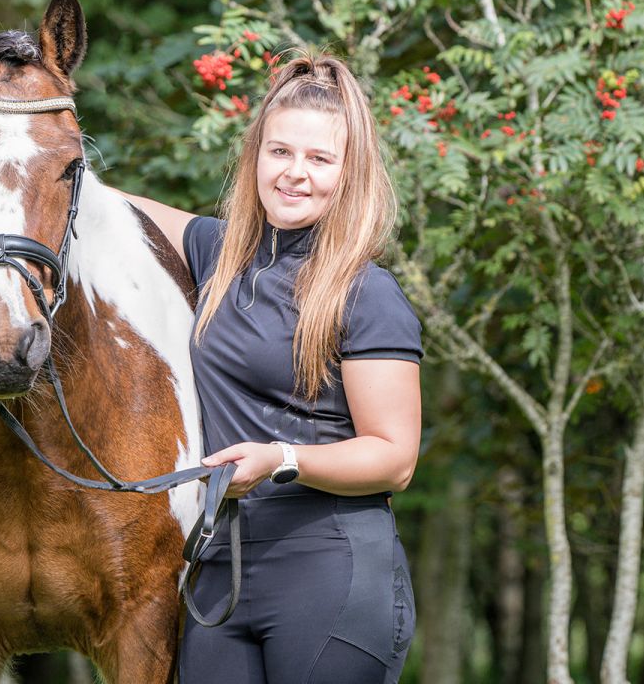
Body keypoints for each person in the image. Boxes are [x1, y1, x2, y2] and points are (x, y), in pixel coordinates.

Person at [120, 51, 422, 684]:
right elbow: (105, 207)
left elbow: (395, 458)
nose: (294, 174)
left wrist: (281, 459)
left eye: (319, 159)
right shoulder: (217, 253)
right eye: (280, 152)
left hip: (330, 575)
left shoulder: (367, 293)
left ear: (349, 173)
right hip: (218, 576)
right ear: (255, 154)